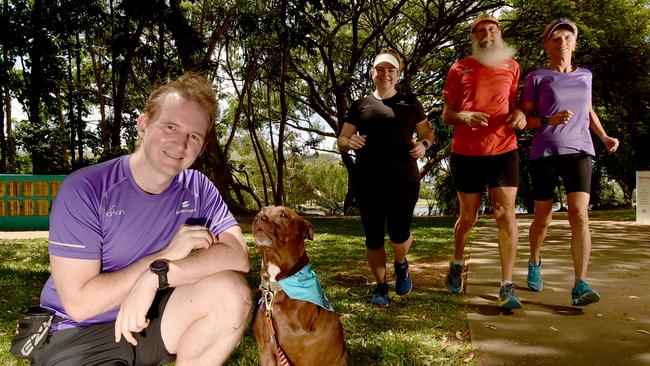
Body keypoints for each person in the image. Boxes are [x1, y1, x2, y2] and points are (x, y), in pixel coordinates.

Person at [32, 73, 252, 365]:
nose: (180, 143)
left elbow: (238, 256)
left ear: (201, 147)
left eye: (194, 136)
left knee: (231, 292)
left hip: (150, 321)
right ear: (143, 125)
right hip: (76, 333)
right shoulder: (87, 189)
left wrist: (158, 275)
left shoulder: (198, 187)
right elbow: (80, 304)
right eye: (170, 126)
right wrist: (163, 256)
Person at [521, 18, 619, 306]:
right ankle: (535, 260)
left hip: (580, 149)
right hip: (545, 152)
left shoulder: (585, 75)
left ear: (574, 44)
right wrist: (546, 120)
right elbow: (523, 119)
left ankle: (580, 283)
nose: (562, 42)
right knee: (544, 217)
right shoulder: (536, 77)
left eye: (567, 37)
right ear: (547, 45)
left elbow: (588, 111)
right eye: (556, 38)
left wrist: (604, 137)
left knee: (579, 214)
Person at [337, 48, 435, 307]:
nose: (385, 74)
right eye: (380, 69)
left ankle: (401, 263)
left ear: (398, 73)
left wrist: (423, 144)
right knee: (373, 237)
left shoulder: (410, 103)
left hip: (404, 180)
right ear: (372, 73)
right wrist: (350, 141)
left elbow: (428, 134)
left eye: (390, 69)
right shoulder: (360, 106)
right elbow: (341, 140)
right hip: (368, 180)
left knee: (399, 235)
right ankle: (381, 287)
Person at [442, 15, 527, 309]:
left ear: (499, 33)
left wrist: (520, 116)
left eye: (491, 29)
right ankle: (456, 262)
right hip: (467, 152)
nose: (487, 35)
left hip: (504, 149)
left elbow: (516, 108)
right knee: (469, 219)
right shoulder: (459, 68)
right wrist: (464, 116)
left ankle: (507, 285)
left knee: (506, 214)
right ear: (474, 37)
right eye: (480, 31)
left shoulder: (513, 67)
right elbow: (446, 114)